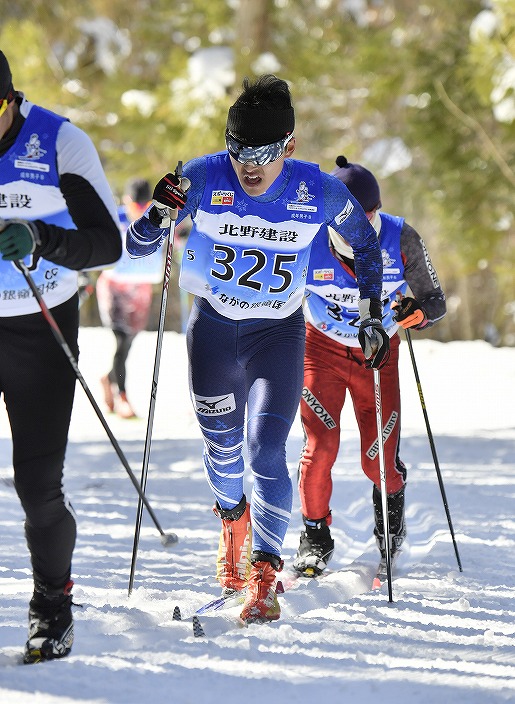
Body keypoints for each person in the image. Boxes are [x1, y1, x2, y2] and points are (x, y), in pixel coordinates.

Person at [126, 75, 388, 624]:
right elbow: (139, 246)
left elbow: (366, 247)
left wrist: (369, 317)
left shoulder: (316, 189)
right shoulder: (200, 175)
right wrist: (156, 213)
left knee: (266, 450)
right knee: (222, 451)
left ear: (288, 147)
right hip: (215, 331)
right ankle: (232, 532)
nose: (249, 167)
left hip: (278, 335)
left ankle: (265, 573)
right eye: (238, 151)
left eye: (263, 155)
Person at [0, 51, 121, 663]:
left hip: (38, 324)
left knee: (38, 485)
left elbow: (108, 244)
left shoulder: (59, 143)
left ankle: (52, 604)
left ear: (9, 102)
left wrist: (41, 237)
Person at [293, 155, 446, 577]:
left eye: (367, 215)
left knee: (376, 459)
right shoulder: (308, 238)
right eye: (344, 218)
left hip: (378, 355)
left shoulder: (401, 238)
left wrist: (418, 314)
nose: (357, 225)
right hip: (320, 349)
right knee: (319, 447)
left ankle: (389, 530)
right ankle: (315, 539)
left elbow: (435, 301)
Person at [97, 178, 163, 418]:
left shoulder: (156, 215)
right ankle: (122, 396)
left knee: (129, 343)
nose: (138, 206)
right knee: (121, 340)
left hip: (141, 289)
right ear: (126, 200)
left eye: (143, 202)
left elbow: (174, 239)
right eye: (135, 202)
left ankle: (109, 378)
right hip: (115, 287)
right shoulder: (117, 216)